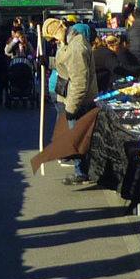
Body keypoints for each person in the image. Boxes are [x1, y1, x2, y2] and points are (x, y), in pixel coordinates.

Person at [47, 19, 96, 185]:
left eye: (53, 38)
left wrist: (71, 107)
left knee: (77, 138)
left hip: (77, 100)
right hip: (69, 97)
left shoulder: (76, 46)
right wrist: (48, 62)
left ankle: (82, 171)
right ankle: (81, 169)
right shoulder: (69, 43)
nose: (54, 42)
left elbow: (79, 81)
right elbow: (65, 63)